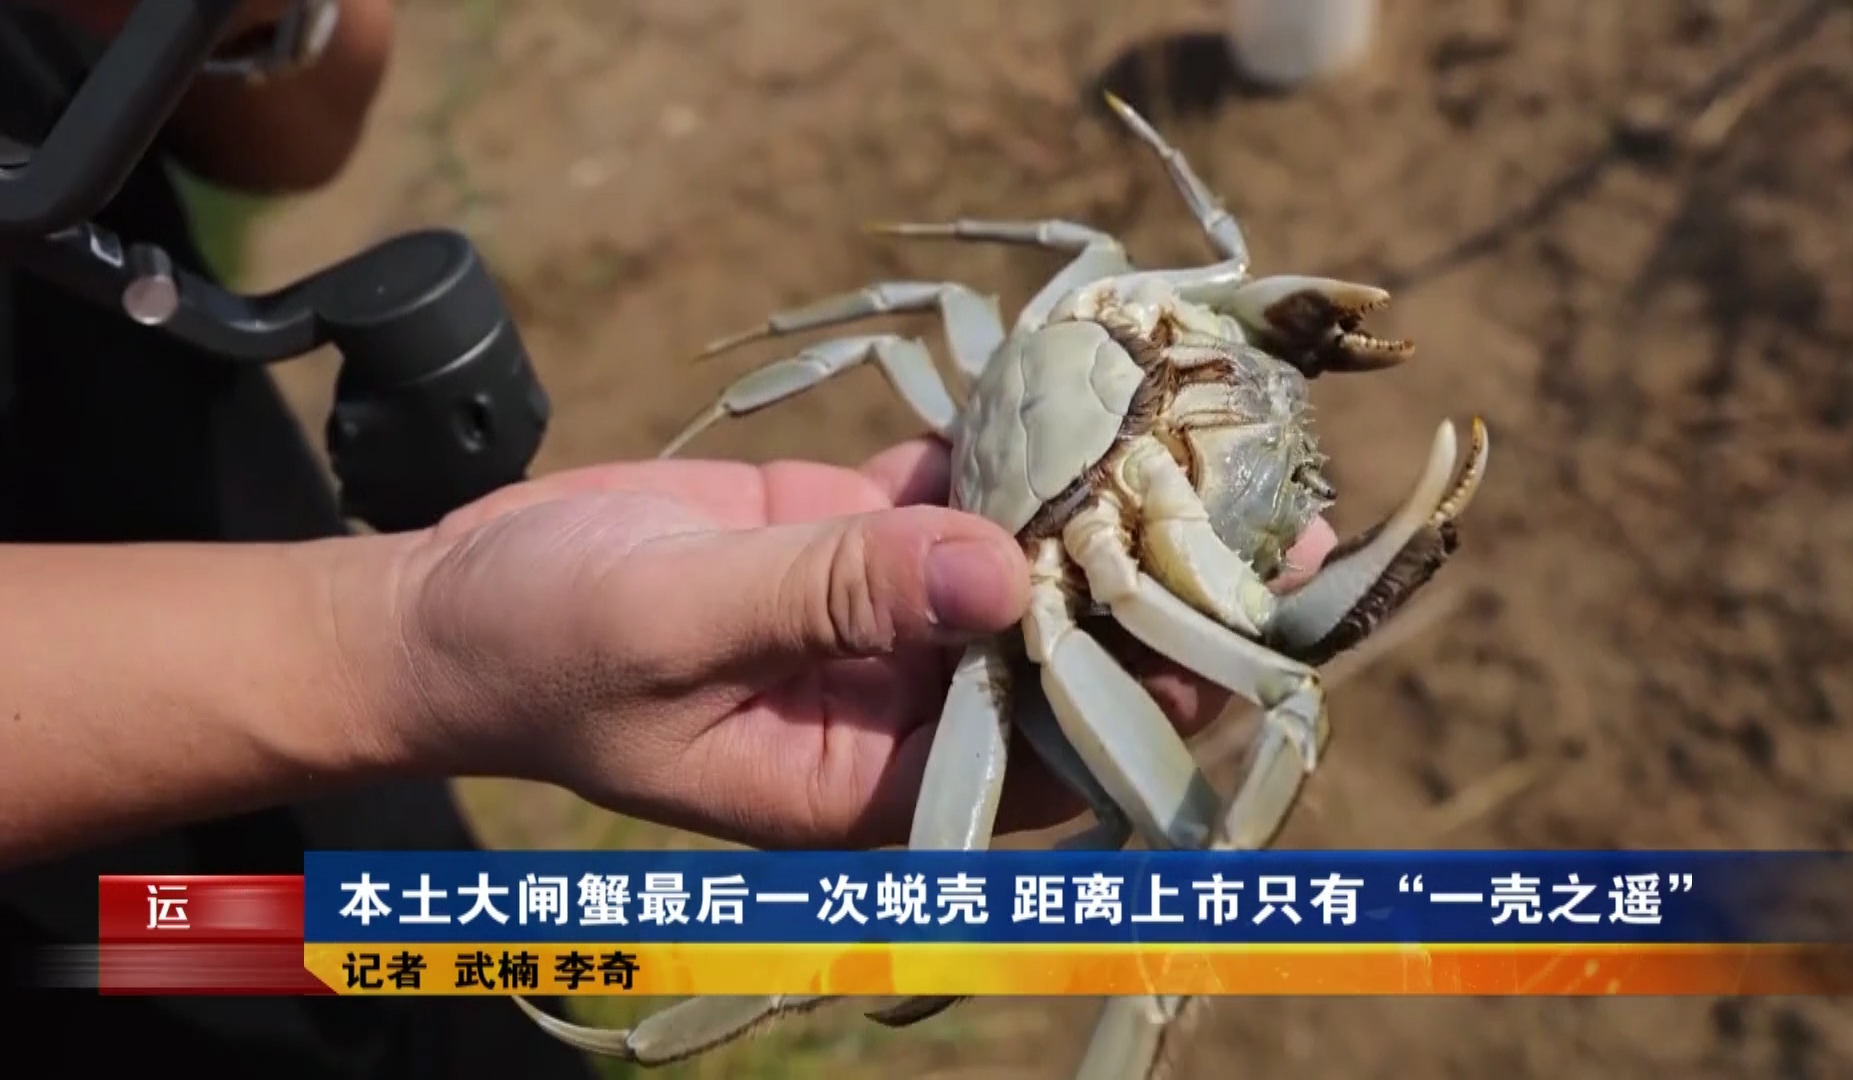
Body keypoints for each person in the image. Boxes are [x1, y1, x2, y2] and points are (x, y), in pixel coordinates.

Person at [0, 1, 1337, 1077]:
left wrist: (242, 18)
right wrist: (393, 643)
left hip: (256, 603)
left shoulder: (1102, 295)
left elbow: (289, 137)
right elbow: (1273, 683)